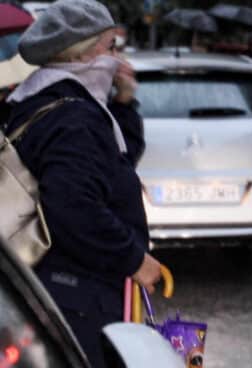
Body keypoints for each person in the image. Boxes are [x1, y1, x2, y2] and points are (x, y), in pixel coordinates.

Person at [4, 1, 162, 367]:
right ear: (85, 50)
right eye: (111, 47)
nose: (117, 58)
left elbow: (113, 164)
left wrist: (123, 102)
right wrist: (133, 257)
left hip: (59, 287)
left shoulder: (48, 99)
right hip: (75, 296)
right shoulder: (74, 116)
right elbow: (74, 206)